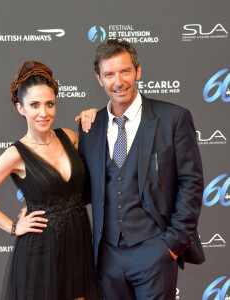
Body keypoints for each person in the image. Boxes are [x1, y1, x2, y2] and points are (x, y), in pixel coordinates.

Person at [77, 39, 205, 300]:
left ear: (138, 71)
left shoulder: (173, 118)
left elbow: (191, 183)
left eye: (125, 71)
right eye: (109, 74)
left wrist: (172, 244)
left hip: (155, 251)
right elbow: (82, 189)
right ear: (99, 79)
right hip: (107, 257)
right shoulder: (91, 126)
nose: (118, 81)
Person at [0, 60, 103, 300]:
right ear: (21, 108)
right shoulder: (15, 154)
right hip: (40, 252)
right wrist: (12, 227)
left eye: (49, 104)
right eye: (34, 105)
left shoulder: (70, 138)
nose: (44, 112)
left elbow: (101, 165)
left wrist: (93, 117)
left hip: (78, 244)